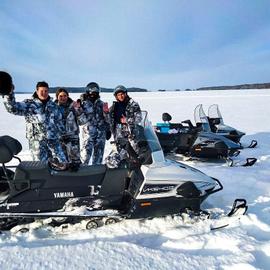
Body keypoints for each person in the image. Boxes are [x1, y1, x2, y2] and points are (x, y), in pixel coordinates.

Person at [2, 80, 67, 166]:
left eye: (46, 91)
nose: (44, 93)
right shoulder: (29, 104)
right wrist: (9, 94)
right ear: (37, 91)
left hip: (53, 141)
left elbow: (59, 121)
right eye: (41, 91)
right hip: (37, 143)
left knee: (63, 163)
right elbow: (12, 108)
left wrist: (63, 135)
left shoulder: (53, 106)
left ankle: (61, 179)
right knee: (41, 166)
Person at [106, 85, 142, 168]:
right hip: (117, 131)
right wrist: (105, 112)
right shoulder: (114, 106)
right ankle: (123, 169)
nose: (120, 96)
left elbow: (139, 118)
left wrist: (128, 120)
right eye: (118, 95)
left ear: (125, 94)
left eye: (122, 94)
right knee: (120, 149)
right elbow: (109, 118)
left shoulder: (133, 104)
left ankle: (135, 167)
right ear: (116, 96)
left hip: (130, 132)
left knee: (131, 151)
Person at [55, 88, 87, 171]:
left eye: (65, 96)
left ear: (68, 96)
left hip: (73, 138)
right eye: (60, 96)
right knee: (62, 162)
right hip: (59, 138)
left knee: (75, 162)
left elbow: (83, 122)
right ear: (57, 97)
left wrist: (78, 109)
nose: (63, 98)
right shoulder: (53, 107)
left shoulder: (74, 106)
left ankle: (79, 181)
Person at [80, 82, 110, 165]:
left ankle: (97, 176)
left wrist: (108, 129)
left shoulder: (102, 104)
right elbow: (80, 121)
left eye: (96, 90)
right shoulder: (83, 104)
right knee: (84, 158)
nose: (94, 92)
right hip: (88, 136)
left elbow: (107, 119)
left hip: (100, 135)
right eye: (92, 90)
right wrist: (79, 108)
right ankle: (81, 175)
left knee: (98, 160)